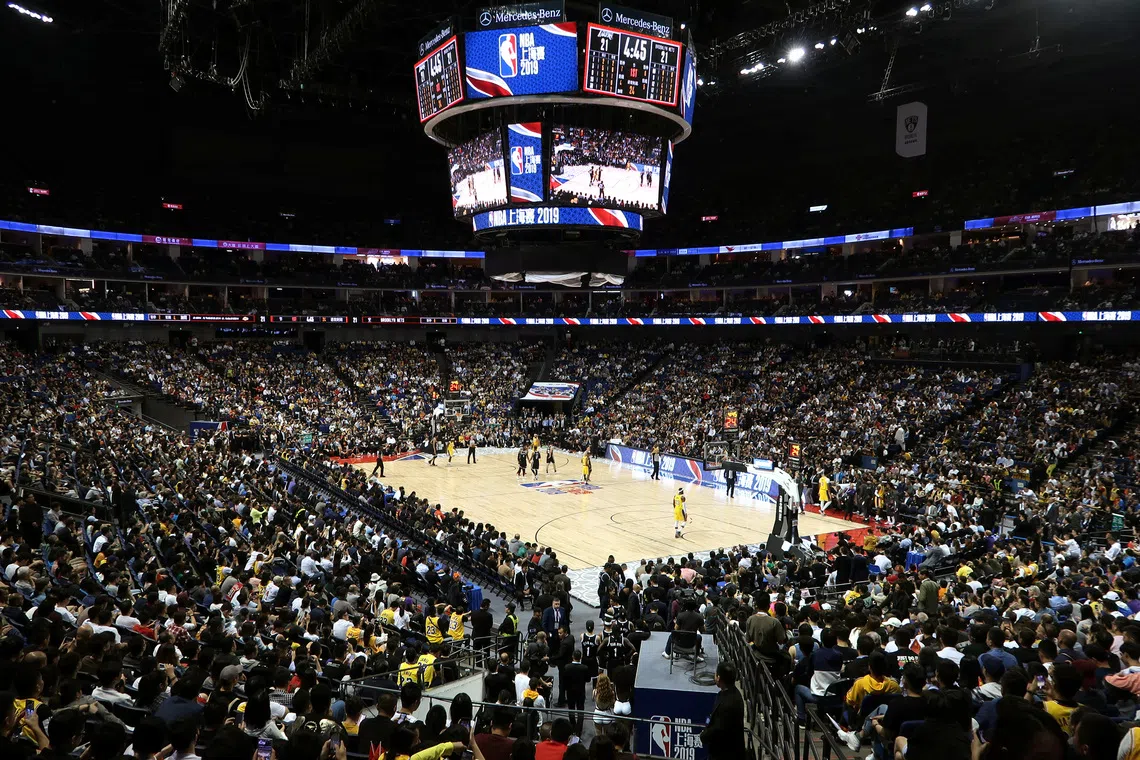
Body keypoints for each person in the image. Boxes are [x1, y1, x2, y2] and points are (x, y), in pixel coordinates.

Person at [701, 662, 745, 760]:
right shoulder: (731, 693)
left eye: (716, 674)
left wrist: (704, 735)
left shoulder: (728, 704)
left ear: (719, 678)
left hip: (725, 753)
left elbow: (718, 729)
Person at [562, 650, 589, 733]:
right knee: (580, 710)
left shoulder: (567, 667)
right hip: (580, 692)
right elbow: (588, 680)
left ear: (572, 657)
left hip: (570, 692)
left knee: (571, 709)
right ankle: (579, 730)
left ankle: (572, 726)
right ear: (580, 657)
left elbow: (564, 680)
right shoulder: (584, 668)